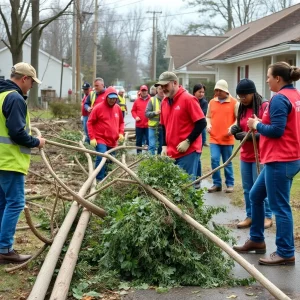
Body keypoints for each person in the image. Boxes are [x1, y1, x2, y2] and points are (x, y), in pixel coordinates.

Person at [233, 62, 300, 266]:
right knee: (256, 195)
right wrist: (260, 123)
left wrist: (257, 125)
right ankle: (257, 240)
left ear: (278, 79)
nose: (267, 79)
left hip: (281, 159)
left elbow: (277, 130)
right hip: (284, 158)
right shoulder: (294, 95)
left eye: (269, 76)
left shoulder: (280, 99)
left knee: (280, 207)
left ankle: (286, 252)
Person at [0, 62, 46, 264]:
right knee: (16, 203)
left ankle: (1, 246)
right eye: (31, 82)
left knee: (2, 203)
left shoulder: (1, 95)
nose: (32, 87)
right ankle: (5, 249)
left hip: (1, 160)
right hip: (10, 161)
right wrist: (37, 142)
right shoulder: (15, 98)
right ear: (24, 79)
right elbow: (17, 133)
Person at [230, 79, 272, 229]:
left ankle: (267, 216)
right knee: (247, 188)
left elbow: (268, 131)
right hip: (245, 155)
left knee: (259, 189)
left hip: (260, 155)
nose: (242, 98)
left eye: (244, 96)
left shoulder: (264, 107)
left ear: (252, 93)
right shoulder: (241, 107)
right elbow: (240, 126)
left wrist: (250, 136)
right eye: (239, 96)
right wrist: (236, 132)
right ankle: (251, 216)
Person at [155, 72, 206, 181]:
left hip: (188, 151)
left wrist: (188, 141)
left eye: (166, 85)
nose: (163, 89)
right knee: (174, 187)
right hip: (172, 151)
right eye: (161, 86)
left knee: (185, 187)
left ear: (175, 83)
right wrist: (164, 146)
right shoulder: (164, 102)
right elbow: (163, 125)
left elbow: (202, 123)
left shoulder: (188, 99)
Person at [206, 79, 239, 193]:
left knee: (227, 162)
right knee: (214, 160)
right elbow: (208, 116)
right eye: (216, 90)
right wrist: (208, 124)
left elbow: (238, 119)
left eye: (220, 90)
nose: (218, 93)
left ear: (226, 91)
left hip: (227, 138)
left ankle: (230, 184)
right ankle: (217, 184)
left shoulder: (234, 103)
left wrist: (232, 128)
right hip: (214, 137)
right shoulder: (212, 102)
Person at [87, 87, 124, 181]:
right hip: (100, 138)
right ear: (106, 97)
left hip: (112, 140)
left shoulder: (118, 108)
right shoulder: (98, 108)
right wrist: (92, 137)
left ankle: (106, 178)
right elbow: (89, 122)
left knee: (110, 160)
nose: (112, 100)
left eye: (114, 98)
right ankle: (99, 179)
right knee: (102, 156)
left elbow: (121, 122)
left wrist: (121, 133)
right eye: (110, 98)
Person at [193, 83, 208, 189]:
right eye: (200, 92)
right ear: (194, 92)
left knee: (197, 156)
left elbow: (200, 116)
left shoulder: (204, 103)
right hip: (190, 131)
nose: (202, 94)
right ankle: (192, 178)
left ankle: (197, 179)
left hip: (200, 131)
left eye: (203, 92)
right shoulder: (190, 100)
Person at [131, 85, 150, 154]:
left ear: (147, 91)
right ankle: (139, 154)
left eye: (145, 90)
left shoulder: (151, 100)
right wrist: (135, 117)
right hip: (139, 125)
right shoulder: (137, 101)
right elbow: (133, 111)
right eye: (142, 90)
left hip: (148, 125)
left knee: (149, 141)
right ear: (140, 91)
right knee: (138, 141)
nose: (144, 92)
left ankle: (149, 155)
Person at [145, 85, 164, 155]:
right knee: (152, 146)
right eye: (160, 89)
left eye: (163, 89)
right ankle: (151, 163)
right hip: (152, 127)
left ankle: (159, 162)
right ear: (157, 90)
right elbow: (146, 113)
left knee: (161, 147)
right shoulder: (152, 100)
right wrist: (154, 113)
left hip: (163, 128)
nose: (162, 90)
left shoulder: (168, 99)